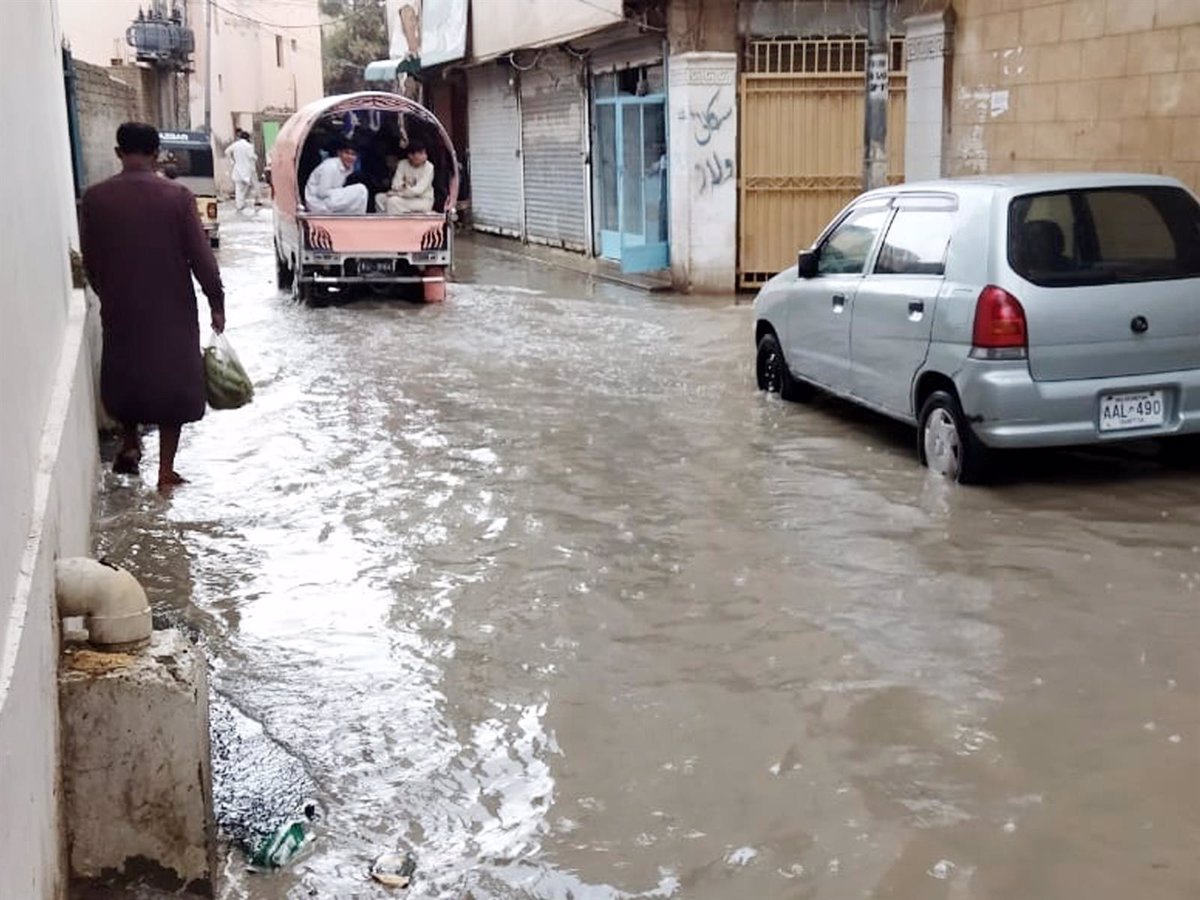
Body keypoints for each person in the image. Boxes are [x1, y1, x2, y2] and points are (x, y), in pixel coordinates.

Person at [80, 122, 225, 492]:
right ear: (157, 153)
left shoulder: (95, 198)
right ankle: (165, 471)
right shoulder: (177, 196)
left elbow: (90, 260)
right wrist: (216, 301)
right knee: (172, 385)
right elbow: (201, 258)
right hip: (171, 308)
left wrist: (106, 291)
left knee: (127, 373)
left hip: (120, 305)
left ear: (118, 153)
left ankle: (129, 442)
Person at [304, 136, 368, 215]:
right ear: (339, 153)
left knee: (357, 197)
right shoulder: (330, 166)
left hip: (329, 202)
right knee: (361, 190)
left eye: (353, 154)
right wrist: (341, 193)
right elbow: (322, 193)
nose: (350, 157)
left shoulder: (349, 168)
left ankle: (356, 219)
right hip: (318, 204)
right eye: (347, 153)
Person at [377, 141, 435, 215]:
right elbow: (395, 185)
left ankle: (395, 225)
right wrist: (402, 190)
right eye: (421, 153)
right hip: (404, 197)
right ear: (410, 155)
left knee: (393, 201)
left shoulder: (429, 167)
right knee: (379, 198)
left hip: (422, 200)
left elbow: (418, 190)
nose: (425, 156)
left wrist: (399, 193)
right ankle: (382, 223)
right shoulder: (402, 164)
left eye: (425, 153)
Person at [225, 129, 258, 212]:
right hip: (246, 171)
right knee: (247, 188)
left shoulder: (235, 145)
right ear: (248, 138)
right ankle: (242, 204)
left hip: (237, 170)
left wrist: (232, 161)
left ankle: (240, 205)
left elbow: (227, 151)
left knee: (238, 189)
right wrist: (255, 157)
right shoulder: (249, 146)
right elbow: (252, 157)